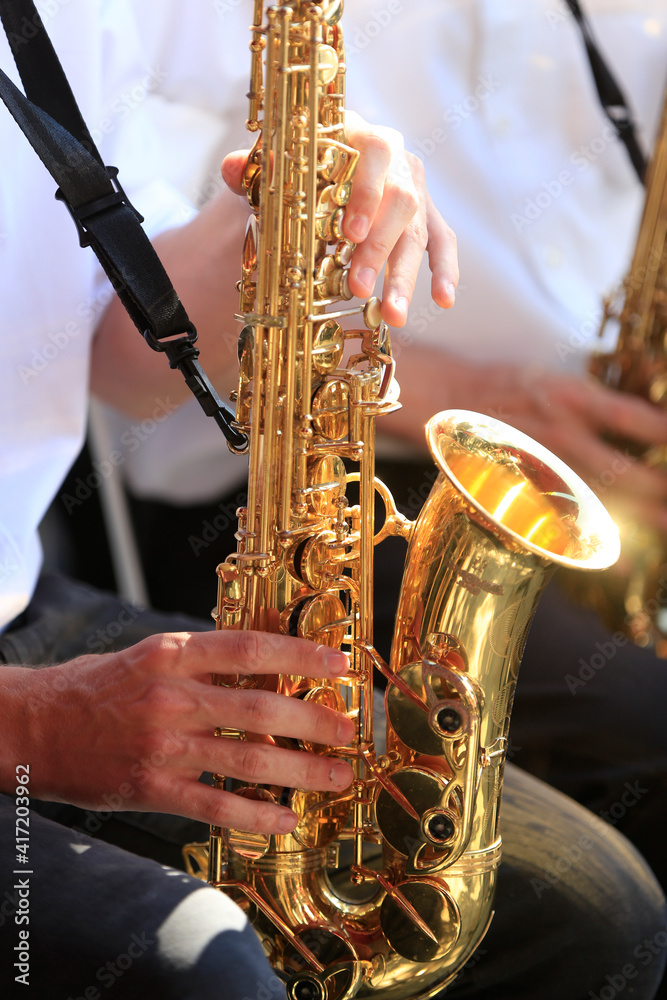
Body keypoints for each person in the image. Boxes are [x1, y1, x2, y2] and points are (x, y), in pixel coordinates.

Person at [1, 3, 665, 1000]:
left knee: (590, 912)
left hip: (18, 591)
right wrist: (35, 731)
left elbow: (115, 354)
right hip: (28, 689)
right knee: (204, 979)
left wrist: (286, 219)